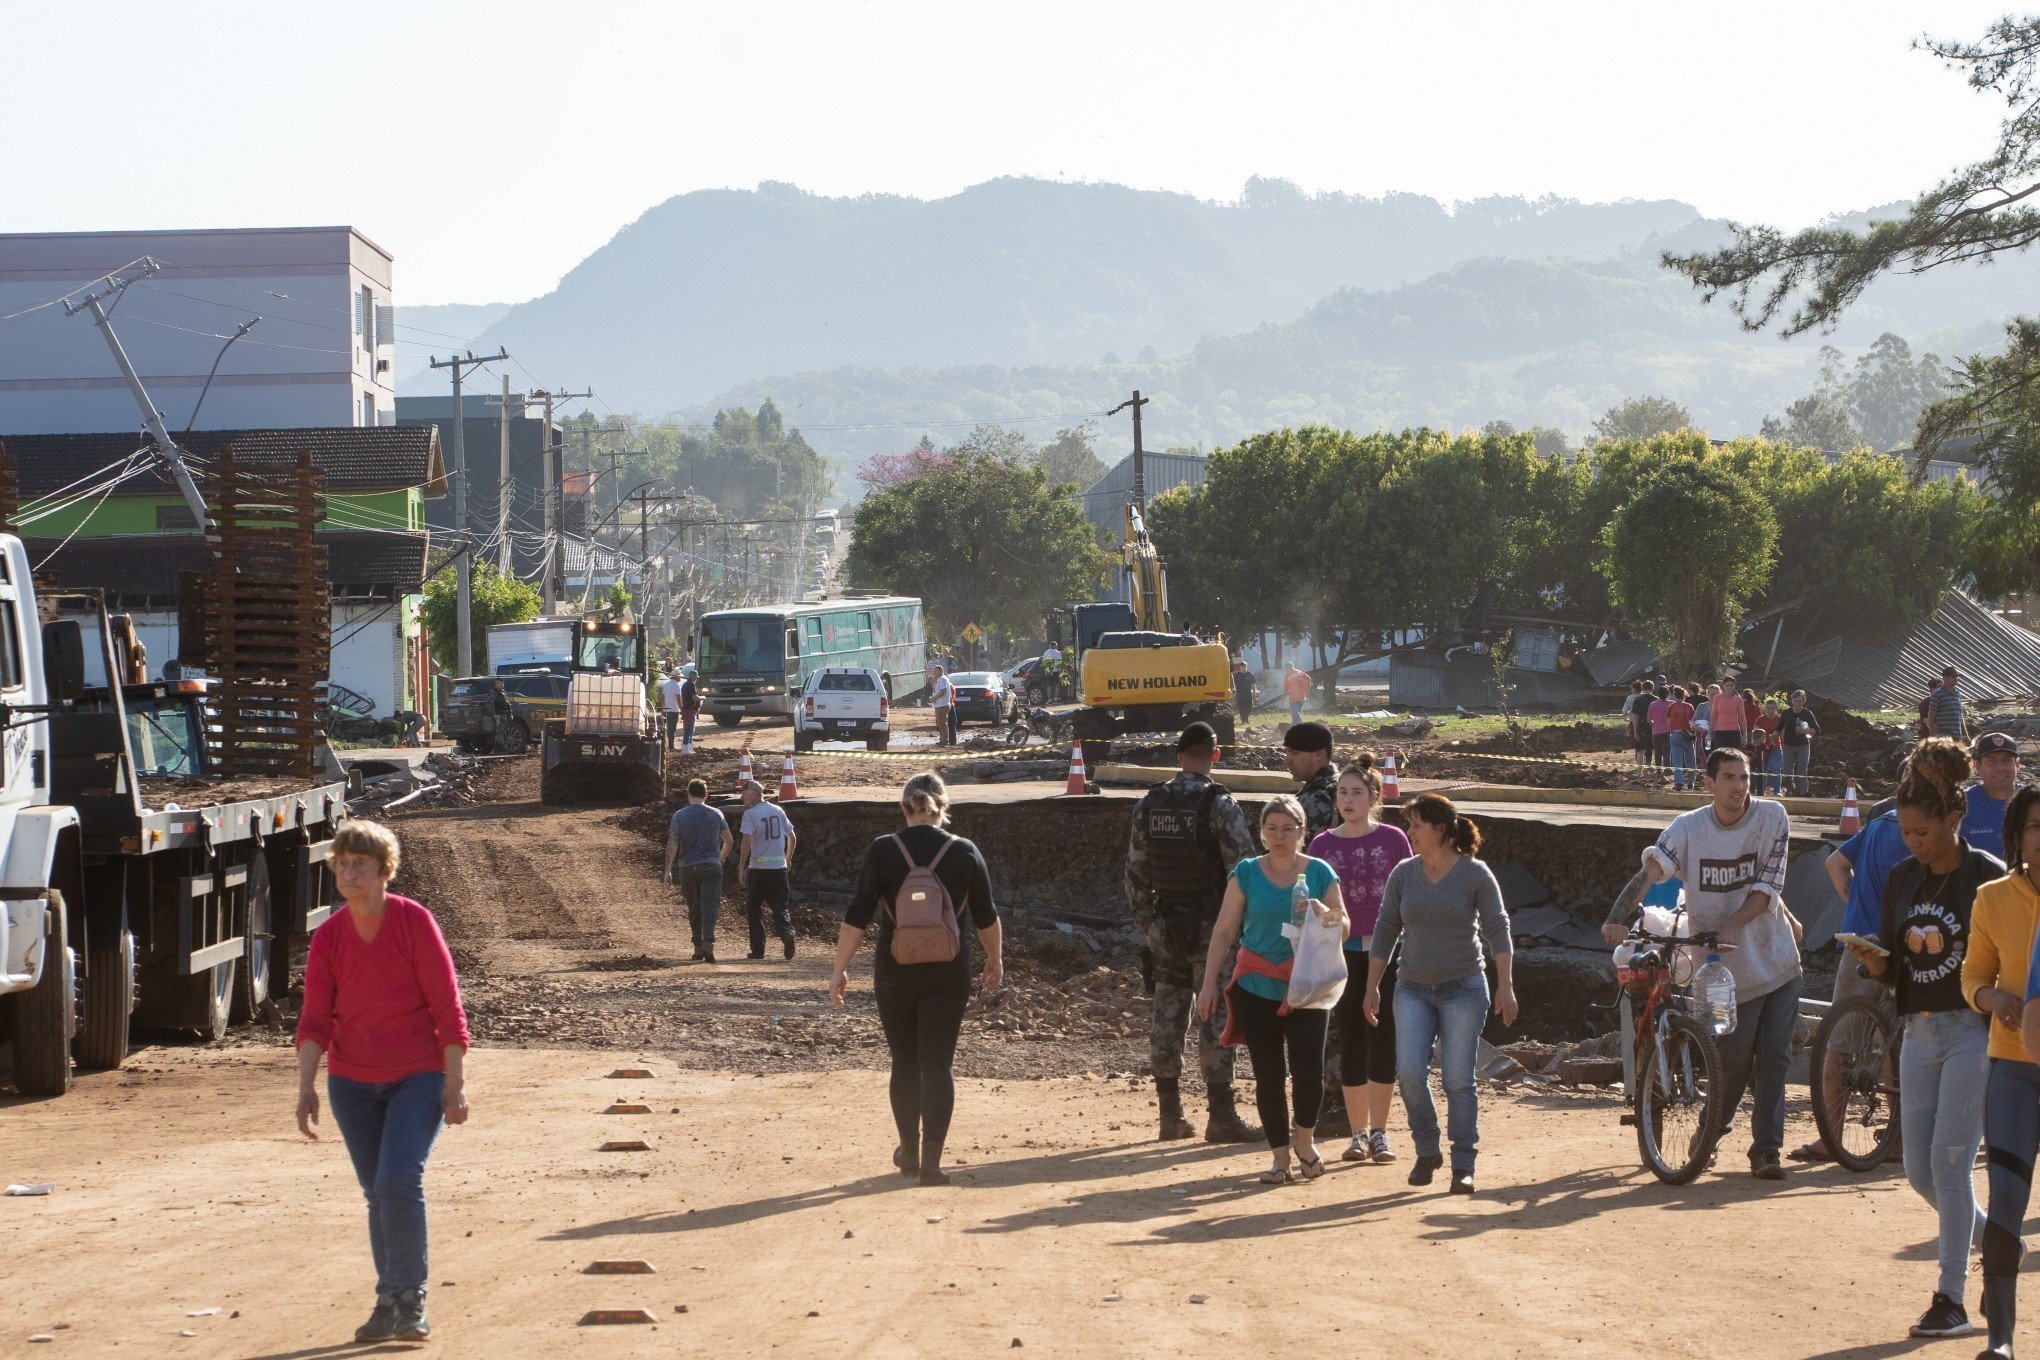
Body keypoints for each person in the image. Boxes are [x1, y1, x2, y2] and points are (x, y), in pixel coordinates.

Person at [1844, 738, 2003, 1339]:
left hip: (1971, 1033)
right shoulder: (1903, 878)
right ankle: (1993, 1236)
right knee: (1917, 1170)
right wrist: (1874, 962)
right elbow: (1894, 963)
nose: (1913, 844)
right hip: (1918, 1032)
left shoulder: (1986, 880)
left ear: (1954, 819)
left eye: (1922, 833)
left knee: (1950, 1160)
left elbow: (2004, 963)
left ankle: (1952, 1298)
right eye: (1906, 834)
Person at [294, 822, 469, 1346]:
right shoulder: (328, 936)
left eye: (360, 866)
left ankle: (409, 1297)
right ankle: (388, 1300)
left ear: (384, 872)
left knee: (397, 1180)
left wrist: (454, 1083)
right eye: (342, 865)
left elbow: (447, 1007)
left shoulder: (414, 923)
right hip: (351, 1082)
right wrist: (306, 1088)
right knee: (377, 1193)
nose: (350, 874)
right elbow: (314, 1020)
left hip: (418, 1075)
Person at [1633, 746, 1802, 1178]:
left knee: (1775, 1058)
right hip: (1721, 970)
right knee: (1732, 1059)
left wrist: (1734, 922)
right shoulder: (1689, 828)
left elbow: (1767, 888)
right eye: (1728, 778)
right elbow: (1653, 871)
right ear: (1708, 783)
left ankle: (1766, 1151)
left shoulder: (1772, 818)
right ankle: (1707, 1136)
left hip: (1776, 957)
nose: (1739, 788)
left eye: (1744, 777)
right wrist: (1617, 918)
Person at [830, 773, 1002, 1186]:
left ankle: (907, 1152)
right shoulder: (964, 851)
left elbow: (858, 913)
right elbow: (986, 915)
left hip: (895, 969)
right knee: (938, 1064)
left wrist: (838, 969)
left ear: (904, 808)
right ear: (943, 808)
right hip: (949, 969)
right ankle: (932, 1165)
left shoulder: (883, 850)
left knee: (905, 1062)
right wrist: (995, 960)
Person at [1365, 793, 1513, 1194]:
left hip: (1463, 988)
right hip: (1411, 986)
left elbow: (1498, 929)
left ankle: (1463, 1164)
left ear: (1440, 829)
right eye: (1409, 824)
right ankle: (1427, 1148)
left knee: (1458, 1079)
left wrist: (1506, 986)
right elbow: (1385, 929)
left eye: (1416, 825)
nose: (1409, 832)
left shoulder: (1475, 874)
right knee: (1410, 1072)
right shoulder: (1403, 873)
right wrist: (1372, 985)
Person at [1197, 795, 1347, 1184]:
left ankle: (1306, 1143)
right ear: (1261, 832)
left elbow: (1344, 926)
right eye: (1272, 828)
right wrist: (1210, 983)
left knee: (1308, 1071)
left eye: (1288, 829)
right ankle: (1279, 1157)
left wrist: (1322, 913)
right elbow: (1225, 931)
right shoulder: (1246, 872)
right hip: (1256, 983)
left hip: (1308, 985)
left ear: (1302, 832)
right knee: (1268, 1074)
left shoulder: (1319, 872)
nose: (1280, 836)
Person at [1125, 722, 1258, 1143]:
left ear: (1178, 755)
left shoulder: (1149, 803)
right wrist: (1237, 930)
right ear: (1215, 755)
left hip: (1168, 928)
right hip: (1212, 930)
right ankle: (1220, 1117)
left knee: (1167, 1014)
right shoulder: (1220, 806)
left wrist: (1152, 927)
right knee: (1214, 1013)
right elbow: (1244, 871)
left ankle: (1170, 1115)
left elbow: (1134, 875)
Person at [1963, 785, 2040, 1359]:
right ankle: (2002, 1340)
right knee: (2007, 1197)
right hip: (2014, 1070)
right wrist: (1993, 999)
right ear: (2017, 837)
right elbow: (1972, 978)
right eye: (2036, 827)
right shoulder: (1992, 899)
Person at [1309, 756, 1412, 1164]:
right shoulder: (1321, 845)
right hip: (1341, 954)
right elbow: (1314, 906)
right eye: (1342, 792)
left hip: (1388, 952)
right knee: (1350, 1037)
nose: (1348, 800)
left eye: (1357, 792)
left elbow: (1407, 895)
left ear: (1373, 797)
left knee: (1383, 1037)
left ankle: (1382, 1133)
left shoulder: (1393, 840)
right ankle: (1357, 1134)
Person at [664, 778, 733, 962]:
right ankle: (708, 943)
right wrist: (721, 857)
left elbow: (673, 843)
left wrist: (668, 870)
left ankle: (697, 948)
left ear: (688, 795)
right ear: (706, 796)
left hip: (687, 867)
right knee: (710, 906)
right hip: (711, 866)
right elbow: (729, 841)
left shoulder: (679, 816)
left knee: (693, 907)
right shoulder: (716, 814)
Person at [738, 780, 798, 960]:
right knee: (780, 906)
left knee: (754, 907)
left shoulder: (750, 814)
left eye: (744, 792)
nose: (741, 796)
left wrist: (741, 866)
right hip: (778, 868)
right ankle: (787, 932)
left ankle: (758, 950)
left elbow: (746, 842)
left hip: (759, 869)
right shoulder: (778, 811)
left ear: (755, 794)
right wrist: (788, 859)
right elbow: (792, 837)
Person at [1967, 731, 2023, 862]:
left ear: (2018, 765)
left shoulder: (2033, 802)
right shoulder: (1961, 805)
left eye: (2006, 761)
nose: (2000, 767)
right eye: (1991, 762)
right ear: (1977, 766)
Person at [1284, 720, 1339, 839]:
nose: (1287, 760)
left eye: (1294, 753)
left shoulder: (1317, 797)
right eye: (1287, 752)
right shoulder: (1341, 784)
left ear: (1319, 754)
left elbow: (1304, 852)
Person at [1778, 689, 1820, 796]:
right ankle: (1790, 788)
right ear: (1792, 701)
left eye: (1800, 701)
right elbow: (1779, 726)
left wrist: (1804, 731)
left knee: (1802, 770)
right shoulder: (1787, 713)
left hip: (1803, 746)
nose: (1797, 704)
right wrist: (1774, 734)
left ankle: (1804, 792)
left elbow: (1817, 729)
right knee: (1787, 770)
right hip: (1788, 745)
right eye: (1795, 701)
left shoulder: (1807, 713)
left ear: (1803, 702)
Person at [1666, 685, 1697, 792]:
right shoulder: (1689, 706)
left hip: (1675, 734)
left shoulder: (1670, 707)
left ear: (1674, 695)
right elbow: (1693, 721)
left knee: (1677, 760)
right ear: (1685, 695)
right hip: (1687, 734)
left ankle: (1678, 782)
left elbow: (1668, 722)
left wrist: (1672, 730)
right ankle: (1690, 782)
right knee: (1690, 760)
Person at [1928, 665, 1970, 743]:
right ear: (1945, 678)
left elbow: (1960, 716)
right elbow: (1931, 717)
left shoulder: (1958, 694)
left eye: (1957, 677)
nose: (1956, 679)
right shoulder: (1937, 694)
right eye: (1953, 676)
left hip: (1957, 738)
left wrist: (1966, 736)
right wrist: (1934, 738)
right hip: (1943, 739)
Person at [1753, 697, 1784, 797]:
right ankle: (1761, 790)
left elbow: (1783, 734)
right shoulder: (1760, 719)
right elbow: (1755, 734)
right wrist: (1764, 738)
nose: (1770, 711)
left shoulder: (1780, 719)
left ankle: (1777, 791)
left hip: (1776, 747)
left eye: (1773, 709)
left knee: (1776, 769)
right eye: (1768, 708)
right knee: (1762, 770)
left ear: (1776, 709)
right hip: (1762, 749)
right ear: (1765, 709)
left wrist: (1775, 736)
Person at [1622, 679, 1651, 769]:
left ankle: (1639, 763)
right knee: (1649, 744)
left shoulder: (1630, 698)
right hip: (1648, 723)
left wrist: (1629, 713)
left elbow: (1624, 712)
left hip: (1634, 723)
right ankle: (1648, 761)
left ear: (1634, 689)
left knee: (1638, 744)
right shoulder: (1647, 697)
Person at [1712, 681, 1746, 752]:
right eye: (1727, 685)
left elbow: (1742, 718)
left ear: (1734, 686)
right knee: (1721, 756)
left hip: (1734, 731)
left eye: (1731, 685)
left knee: (1733, 756)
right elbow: (1713, 717)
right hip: (1720, 732)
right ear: (1723, 686)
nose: (1729, 687)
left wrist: (1744, 735)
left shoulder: (1738, 699)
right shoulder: (1717, 698)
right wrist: (1709, 734)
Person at [1647, 684, 1672, 774]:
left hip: (1656, 731)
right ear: (1668, 694)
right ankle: (1667, 770)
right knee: (1667, 752)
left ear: (1658, 694)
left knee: (1657, 752)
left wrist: (1654, 723)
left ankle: (1658, 770)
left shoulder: (1653, 704)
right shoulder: (1671, 704)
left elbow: (1649, 719)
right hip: (1668, 731)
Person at [659, 667, 684, 751]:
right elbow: (678, 699)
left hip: (666, 709)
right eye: (679, 676)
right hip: (674, 710)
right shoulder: (677, 686)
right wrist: (682, 709)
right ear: (676, 677)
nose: (680, 678)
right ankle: (671, 745)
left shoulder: (666, 685)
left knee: (665, 728)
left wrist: (662, 709)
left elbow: (662, 698)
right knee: (672, 728)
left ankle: (665, 744)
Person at [930, 668, 956, 746]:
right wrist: (932, 683)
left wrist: (934, 698)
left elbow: (943, 691)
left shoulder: (942, 679)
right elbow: (936, 691)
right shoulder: (939, 680)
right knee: (940, 724)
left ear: (939, 671)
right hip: (939, 705)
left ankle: (945, 741)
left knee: (943, 724)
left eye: (935, 671)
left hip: (942, 705)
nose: (933, 673)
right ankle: (943, 740)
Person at [679, 668, 700, 755]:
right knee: (688, 729)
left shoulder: (685, 684)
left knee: (691, 729)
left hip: (688, 709)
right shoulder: (691, 684)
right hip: (689, 709)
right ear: (693, 677)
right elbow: (695, 698)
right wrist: (702, 698)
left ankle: (689, 748)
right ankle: (685, 748)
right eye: (696, 678)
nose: (696, 679)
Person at [1232, 657, 1257, 722]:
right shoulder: (1238, 675)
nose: (1243, 668)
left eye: (1245, 667)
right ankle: (1243, 720)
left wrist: (1254, 694)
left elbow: (1253, 684)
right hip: (1240, 694)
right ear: (1240, 668)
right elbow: (1234, 684)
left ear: (1246, 667)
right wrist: (1234, 691)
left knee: (1249, 707)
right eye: (1242, 667)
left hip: (1248, 694)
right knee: (1241, 708)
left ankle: (1246, 717)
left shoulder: (1250, 674)